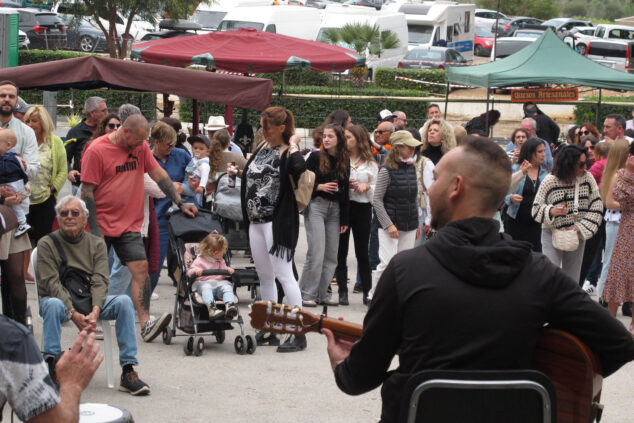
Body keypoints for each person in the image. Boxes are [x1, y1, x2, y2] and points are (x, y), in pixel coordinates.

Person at [323, 137, 634, 423]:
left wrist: (341, 363)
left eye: (435, 179)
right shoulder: (540, 273)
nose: (429, 189)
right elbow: (619, 344)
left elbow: (360, 378)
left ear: (456, 187)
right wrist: (549, 379)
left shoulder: (406, 271)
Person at [81, 115, 197, 342]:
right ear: (125, 131)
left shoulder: (141, 146)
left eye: (143, 141)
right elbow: (86, 193)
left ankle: (145, 323)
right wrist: (94, 229)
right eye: (137, 141)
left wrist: (180, 202)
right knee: (96, 275)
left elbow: (160, 176)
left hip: (129, 224)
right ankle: (89, 322)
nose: (140, 146)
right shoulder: (97, 150)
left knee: (141, 269)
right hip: (102, 224)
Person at [36, 196, 151, 395]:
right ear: (58, 217)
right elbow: (51, 283)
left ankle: (128, 370)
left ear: (85, 218)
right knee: (53, 303)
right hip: (60, 301)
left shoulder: (96, 243)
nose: (69, 217)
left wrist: (96, 311)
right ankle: (52, 367)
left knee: (124, 302)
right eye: (64, 213)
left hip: (88, 299)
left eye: (75, 213)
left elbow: (100, 280)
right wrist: (72, 312)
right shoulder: (47, 243)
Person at [241, 106, 307, 352]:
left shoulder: (287, 151)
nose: (263, 131)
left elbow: (299, 169)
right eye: (262, 126)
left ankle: (298, 330)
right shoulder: (261, 147)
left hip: (276, 221)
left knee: (284, 275)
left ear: (281, 127)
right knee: (265, 277)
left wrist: (294, 143)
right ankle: (269, 327)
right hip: (256, 220)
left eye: (267, 127)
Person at [0, 316, 103, 423]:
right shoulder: (11, 339)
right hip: (64, 307)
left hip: (84, 308)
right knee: (53, 305)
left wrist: (95, 311)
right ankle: (51, 362)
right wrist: (72, 384)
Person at [532, 144, 603, 281]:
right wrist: (551, 211)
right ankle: (550, 302)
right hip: (552, 233)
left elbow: (597, 206)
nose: (585, 168)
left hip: (576, 233)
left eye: (586, 163)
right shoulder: (550, 180)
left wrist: (580, 227)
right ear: (569, 163)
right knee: (550, 276)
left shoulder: (587, 179)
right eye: (581, 164)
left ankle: (569, 303)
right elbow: (536, 208)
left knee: (572, 279)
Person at [0, 81, 39, 326]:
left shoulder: (26, 132)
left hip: (15, 215)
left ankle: (17, 330)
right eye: (2, 95)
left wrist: (17, 191)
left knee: (15, 278)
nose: (6, 99)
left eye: (10, 96)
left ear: (17, 101)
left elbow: (34, 169)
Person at [299, 124, 350, 307]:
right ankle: (306, 293)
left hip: (335, 209)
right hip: (316, 206)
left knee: (331, 256)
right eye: (324, 136)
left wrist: (345, 219)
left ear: (339, 140)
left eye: (330, 136)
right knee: (316, 252)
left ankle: (323, 294)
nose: (326, 139)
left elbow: (345, 192)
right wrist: (319, 187)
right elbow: (302, 181)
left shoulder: (344, 159)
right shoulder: (315, 156)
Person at [368, 131, 421, 301]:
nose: (413, 149)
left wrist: (417, 224)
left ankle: (398, 299)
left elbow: (413, 199)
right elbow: (377, 200)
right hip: (389, 225)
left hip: (409, 224)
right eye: (409, 146)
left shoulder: (412, 168)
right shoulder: (386, 170)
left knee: (405, 265)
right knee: (386, 264)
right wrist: (388, 224)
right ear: (398, 147)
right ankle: (374, 297)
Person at [335, 125, 377, 306]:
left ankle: (367, 291)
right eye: (344, 137)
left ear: (359, 140)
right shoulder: (339, 159)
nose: (345, 140)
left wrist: (366, 186)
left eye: (349, 137)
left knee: (362, 252)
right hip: (344, 207)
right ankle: (342, 290)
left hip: (363, 208)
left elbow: (378, 188)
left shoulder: (371, 163)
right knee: (341, 251)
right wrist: (345, 184)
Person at [148, 121, 191, 295]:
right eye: (168, 144)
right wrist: (170, 187)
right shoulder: (148, 158)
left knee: (189, 262)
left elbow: (194, 179)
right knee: (154, 264)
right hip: (159, 218)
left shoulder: (181, 154)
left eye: (174, 144)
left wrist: (182, 188)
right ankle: (143, 303)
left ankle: (189, 301)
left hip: (183, 216)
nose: (172, 147)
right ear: (156, 142)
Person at [603, 143, 634, 336]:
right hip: (626, 230)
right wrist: (629, 173)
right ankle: (609, 325)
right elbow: (613, 200)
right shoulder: (622, 174)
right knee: (617, 272)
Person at [24, 106, 67, 245]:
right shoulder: (21, 141)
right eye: (27, 121)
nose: (30, 124)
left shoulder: (55, 143)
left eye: (34, 121)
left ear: (43, 122)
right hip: (21, 201)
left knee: (44, 244)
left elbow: (62, 170)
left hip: (45, 201)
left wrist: (52, 190)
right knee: (22, 245)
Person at [597, 140, 629, 302]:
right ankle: (603, 296)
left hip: (625, 222)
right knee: (610, 260)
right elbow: (609, 203)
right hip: (616, 222)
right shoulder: (616, 175)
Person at [503, 138, 549, 252]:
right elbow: (503, 190)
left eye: (544, 151)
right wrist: (511, 198)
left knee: (536, 257)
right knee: (515, 255)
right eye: (540, 152)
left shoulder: (545, 172)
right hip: (516, 220)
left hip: (537, 223)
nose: (543, 154)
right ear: (530, 152)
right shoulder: (516, 169)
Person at [186, 232, 237, 319]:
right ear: (215, 252)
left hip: (218, 284)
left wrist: (228, 271)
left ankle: (229, 305)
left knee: (227, 286)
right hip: (203, 283)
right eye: (222, 252)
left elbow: (224, 272)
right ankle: (212, 308)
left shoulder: (220, 260)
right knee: (206, 287)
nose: (223, 254)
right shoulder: (199, 260)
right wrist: (196, 271)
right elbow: (190, 272)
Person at [65, 97, 107, 194]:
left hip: (103, 184)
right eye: (104, 111)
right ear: (92, 113)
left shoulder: (107, 130)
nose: (107, 114)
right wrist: (70, 171)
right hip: (81, 184)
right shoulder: (75, 132)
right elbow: (65, 158)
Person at [0, 129, 30, 236]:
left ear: (8, 145)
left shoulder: (7, 159)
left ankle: (22, 223)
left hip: (14, 191)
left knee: (15, 201)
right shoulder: (11, 157)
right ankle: (22, 222)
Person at [182, 133, 210, 206]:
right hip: (188, 180)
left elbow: (205, 176)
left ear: (208, 152)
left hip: (192, 186)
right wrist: (190, 175)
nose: (197, 150)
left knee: (177, 189)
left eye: (201, 149)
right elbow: (190, 171)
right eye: (195, 148)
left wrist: (201, 187)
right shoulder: (194, 159)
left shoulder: (204, 164)